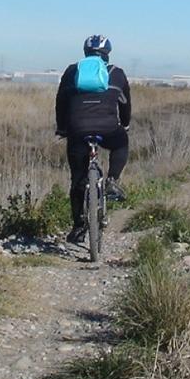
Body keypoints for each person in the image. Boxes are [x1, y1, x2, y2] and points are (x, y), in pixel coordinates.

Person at [55, 35, 132, 244]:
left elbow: (61, 102)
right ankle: (112, 180)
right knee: (121, 143)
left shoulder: (72, 71)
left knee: (77, 179)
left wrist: (62, 128)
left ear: (85, 52)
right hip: (108, 128)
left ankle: (78, 227)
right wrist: (125, 124)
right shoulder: (116, 73)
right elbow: (125, 105)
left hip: (77, 129)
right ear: (107, 54)